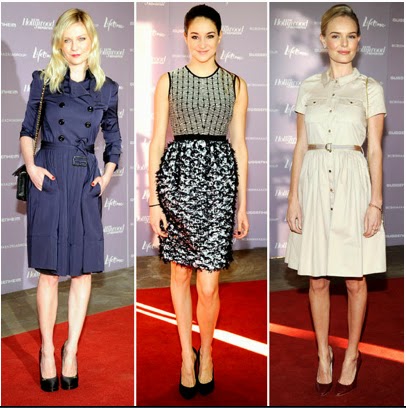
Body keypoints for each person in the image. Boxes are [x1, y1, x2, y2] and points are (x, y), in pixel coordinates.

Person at [148, 3, 249, 399]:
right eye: (195, 36)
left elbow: (239, 146)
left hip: (219, 184)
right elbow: (157, 143)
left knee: (208, 284)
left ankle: (206, 353)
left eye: (209, 36)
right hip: (177, 181)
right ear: (185, 37)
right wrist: (154, 202)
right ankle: (186, 359)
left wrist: (242, 205)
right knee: (179, 274)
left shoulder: (236, 84)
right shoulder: (169, 81)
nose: (202, 43)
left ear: (220, 37)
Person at [285, 3, 386, 397]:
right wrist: (293, 198)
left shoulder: (370, 88)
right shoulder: (308, 86)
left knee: (356, 279)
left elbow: (374, 149)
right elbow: (299, 145)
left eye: (351, 36)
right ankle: (323, 353)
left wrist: (375, 202)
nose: (344, 43)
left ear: (358, 41)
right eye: (336, 36)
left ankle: (352, 354)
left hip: (352, 183)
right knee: (317, 278)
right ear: (323, 40)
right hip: (313, 182)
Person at [20, 9, 121, 392]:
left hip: (83, 181)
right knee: (49, 272)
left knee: (81, 272)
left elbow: (114, 140)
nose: (75, 46)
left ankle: (71, 349)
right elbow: (27, 130)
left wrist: (106, 177)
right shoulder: (44, 81)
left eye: (81, 38)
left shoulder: (107, 88)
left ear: (91, 41)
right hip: (49, 176)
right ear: (59, 43)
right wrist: (32, 167)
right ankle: (47, 350)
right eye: (68, 39)